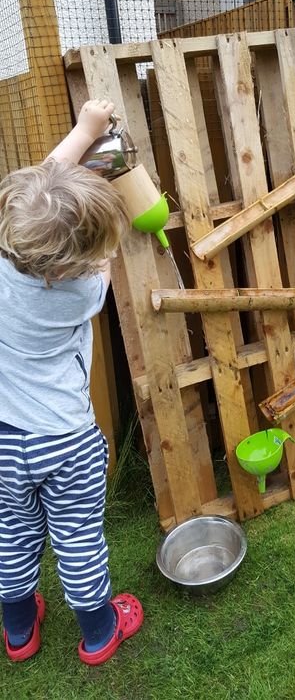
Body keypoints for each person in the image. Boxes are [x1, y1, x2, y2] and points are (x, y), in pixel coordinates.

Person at [0, 99, 143, 665]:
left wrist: (82, 132)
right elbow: (101, 253)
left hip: (6, 438)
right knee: (78, 538)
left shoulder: (6, 264)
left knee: (11, 533)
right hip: (65, 440)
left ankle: (17, 631)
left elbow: (41, 191)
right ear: (77, 263)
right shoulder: (85, 292)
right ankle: (99, 631)